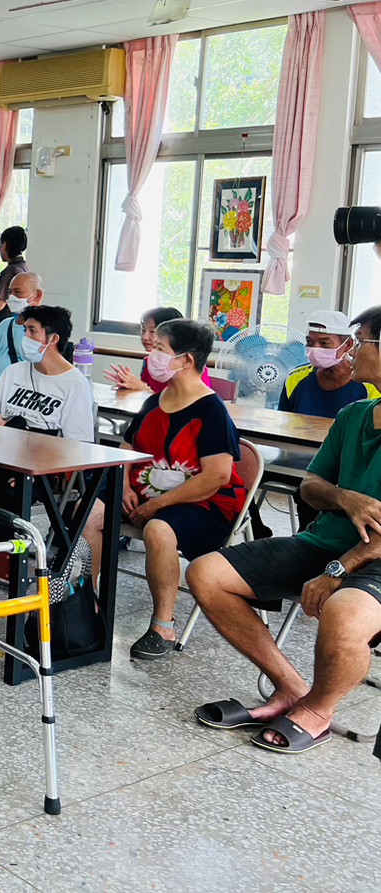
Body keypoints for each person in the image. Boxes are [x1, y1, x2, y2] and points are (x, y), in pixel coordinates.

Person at [187, 306, 381, 754]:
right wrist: (344, 498)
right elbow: (311, 487)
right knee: (206, 574)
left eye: (363, 342)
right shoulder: (355, 415)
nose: (353, 352)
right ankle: (291, 688)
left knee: (344, 613)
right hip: (324, 542)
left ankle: (317, 710)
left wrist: (339, 567)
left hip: (374, 561)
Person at [90, 319, 245, 661]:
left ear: (186, 360)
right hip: (146, 493)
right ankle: (87, 600)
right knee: (92, 514)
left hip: (202, 503)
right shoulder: (155, 401)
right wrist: (123, 485)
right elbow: (126, 448)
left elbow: (215, 477)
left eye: (160, 349)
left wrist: (156, 506)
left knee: (159, 530)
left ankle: (163, 625)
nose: (152, 355)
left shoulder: (211, 410)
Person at [0, 305, 94, 442]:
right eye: (25, 330)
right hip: (3, 451)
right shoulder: (13, 372)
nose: (25, 336)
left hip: (46, 457)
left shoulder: (75, 383)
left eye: (32, 331)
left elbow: (79, 444)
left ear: (54, 339)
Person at [279, 309, 379, 418]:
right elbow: (283, 424)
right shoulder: (294, 379)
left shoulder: (370, 384)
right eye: (310, 342)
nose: (315, 348)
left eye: (324, 343)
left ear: (348, 345)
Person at [0, 271, 44, 408]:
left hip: (19, 398)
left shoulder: (43, 332)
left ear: (37, 295)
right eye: (10, 292)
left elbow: (36, 379)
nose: (11, 297)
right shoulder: (5, 324)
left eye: (17, 292)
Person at [104, 307, 214, 394]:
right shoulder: (150, 363)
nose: (145, 337)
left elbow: (177, 406)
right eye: (143, 330)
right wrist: (129, 385)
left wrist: (143, 388)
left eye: (152, 331)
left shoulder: (193, 370)